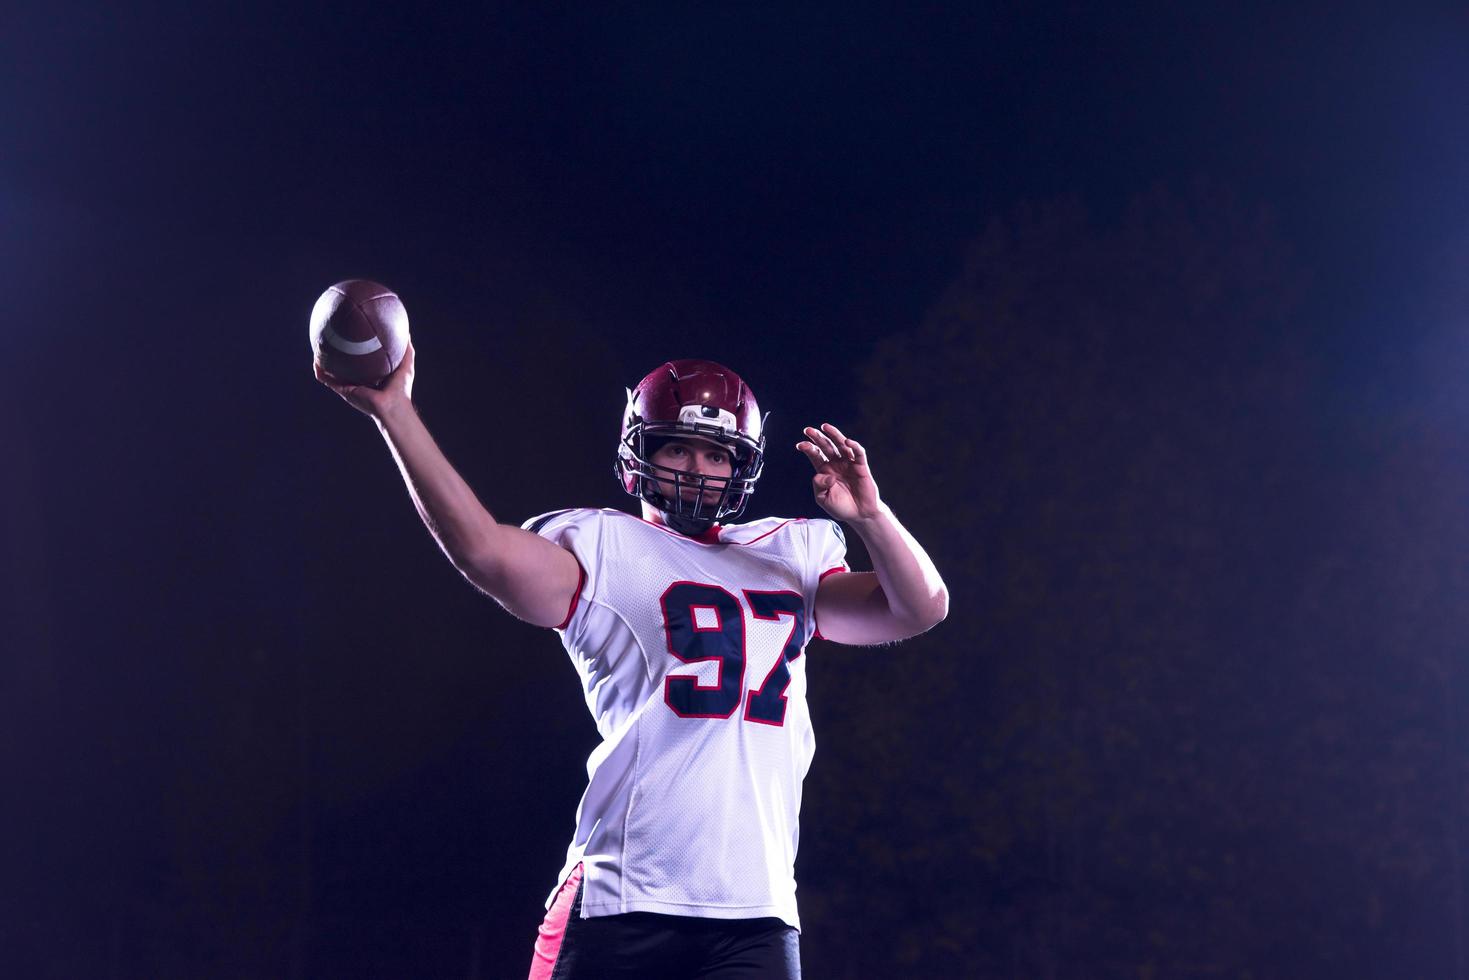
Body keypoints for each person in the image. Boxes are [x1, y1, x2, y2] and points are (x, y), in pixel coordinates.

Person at [315, 345, 948, 979]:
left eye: (717, 453)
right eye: (677, 447)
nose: (697, 467)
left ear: (741, 467)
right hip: (622, 900)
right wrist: (395, 412)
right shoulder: (604, 546)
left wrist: (872, 516)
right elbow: (483, 550)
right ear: (640, 454)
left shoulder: (789, 552)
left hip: (756, 913)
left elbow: (919, 607)